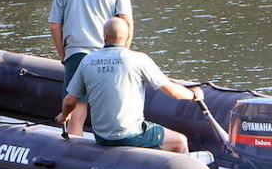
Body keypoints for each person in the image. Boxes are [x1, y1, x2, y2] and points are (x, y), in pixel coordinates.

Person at [58, 17, 205, 152]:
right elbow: (173, 92)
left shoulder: (87, 61)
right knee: (179, 141)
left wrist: (64, 117)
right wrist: (194, 94)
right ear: (128, 37)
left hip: (103, 138)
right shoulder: (139, 59)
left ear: (104, 37)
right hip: (131, 135)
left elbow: (70, 101)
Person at [47, 0, 131, 138]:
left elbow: (54, 26)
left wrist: (64, 55)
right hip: (109, 53)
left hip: (76, 54)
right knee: (112, 105)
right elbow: (126, 23)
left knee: (77, 111)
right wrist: (124, 53)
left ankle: (75, 152)